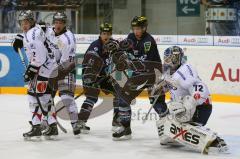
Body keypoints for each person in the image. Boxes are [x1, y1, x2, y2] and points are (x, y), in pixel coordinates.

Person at [155, 46, 228, 154]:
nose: (167, 62)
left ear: (177, 58)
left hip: (200, 108)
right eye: (166, 59)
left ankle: (213, 140)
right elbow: (169, 87)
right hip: (187, 108)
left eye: (170, 58)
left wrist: (188, 106)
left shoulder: (184, 70)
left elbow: (200, 88)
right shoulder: (169, 72)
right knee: (164, 126)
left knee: (177, 114)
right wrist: (159, 88)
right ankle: (177, 136)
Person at [111, 16, 168, 140]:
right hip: (139, 75)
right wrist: (115, 49)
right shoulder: (131, 37)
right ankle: (125, 128)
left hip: (153, 75)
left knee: (158, 103)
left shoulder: (149, 41)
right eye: (134, 28)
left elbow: (143, 64)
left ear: (144, 28)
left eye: (138, 28)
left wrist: (127, 62)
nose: (136, 31)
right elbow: (122, 49)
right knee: (123, 99)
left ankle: (171, 128)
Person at [12, 10, 58, 140]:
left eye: (26, 22)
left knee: (33, 97)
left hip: (42, 68)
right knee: (46, 97)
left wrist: (30, 71)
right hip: (51, 67)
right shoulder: (35, 30)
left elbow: (40, 57)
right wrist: (20, 37)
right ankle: (52, 125)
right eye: (22, 23)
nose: (24, 25)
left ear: (31, 22)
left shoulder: (32, 35)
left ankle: (36, 127)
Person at [77, 23, 119, 133]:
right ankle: (80, 122)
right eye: (104, 34)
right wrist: (91, 80)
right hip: (90, 76)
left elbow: (122, 51)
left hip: (104, 76)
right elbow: (87, 65)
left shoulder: (113, 44)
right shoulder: (95, 46)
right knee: (92, 97)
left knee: (119, 93)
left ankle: (117, 122)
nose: (106, 36)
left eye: (108, 34)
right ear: (100, 34)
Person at [43, 12, 80, 135]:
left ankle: (75, 123)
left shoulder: (67, 39)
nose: (58, 25)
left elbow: (66, 63)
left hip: (66, 69)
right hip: (52, 68)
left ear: (65, 24)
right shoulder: (49, 31)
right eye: (56, 22)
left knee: (66, 97)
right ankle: (47, 120)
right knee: (46, 97)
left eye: (61, 22)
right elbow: (36, 31)